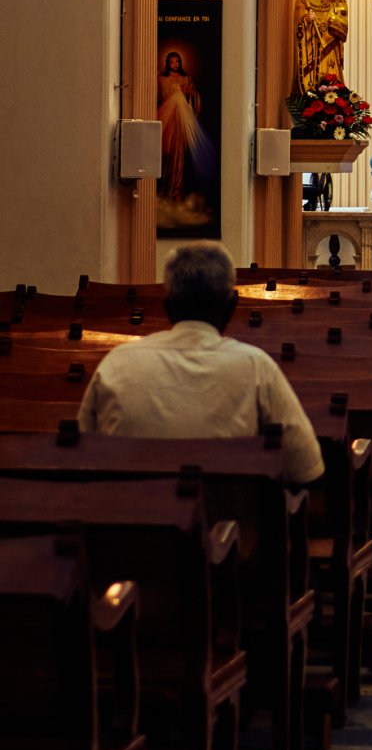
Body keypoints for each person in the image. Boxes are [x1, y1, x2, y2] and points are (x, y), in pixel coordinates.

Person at [78, 242, 324, 485]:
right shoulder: (256, 366)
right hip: (227, 510)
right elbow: (305, 467)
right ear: (231, 306)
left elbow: (81, 453)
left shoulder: (118, 362)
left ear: (168, 307)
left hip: (132, 509)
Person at [157, 49, 215, 205]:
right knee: (166, 153)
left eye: (177, 61)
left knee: (179, 154)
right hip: (169, 120)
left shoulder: (186, 78)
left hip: (182, 121)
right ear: (167, 63)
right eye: (171, 62)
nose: (174, 64)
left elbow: (194, 100)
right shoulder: (162, 79)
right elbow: (162, 97)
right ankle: (164, 186)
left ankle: (177, 189)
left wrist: (191, 93)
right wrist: (178, 92)